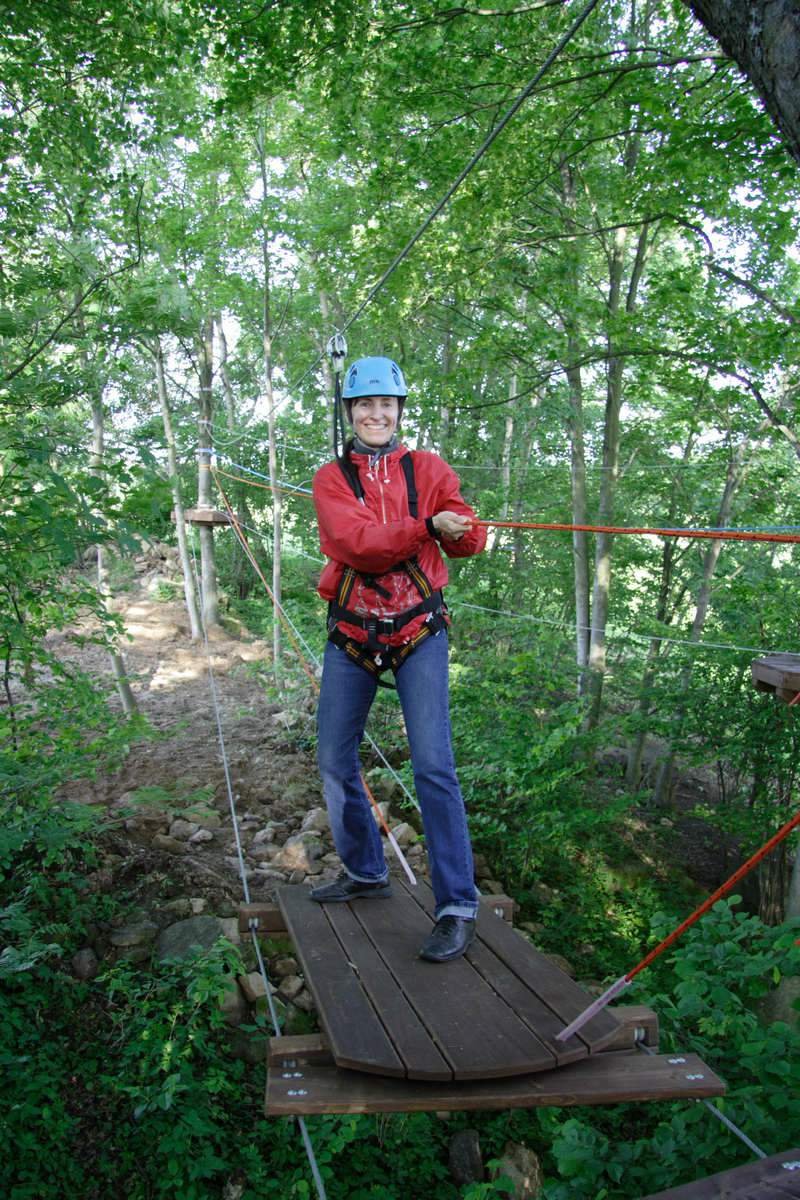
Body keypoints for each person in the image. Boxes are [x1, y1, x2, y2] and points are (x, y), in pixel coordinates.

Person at [309, 355, 487, 962]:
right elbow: (354, 544)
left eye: (386, 405)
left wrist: (458, 528)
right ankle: (365, 871)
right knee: (334, 758)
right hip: (355, 628)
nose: (376, 414)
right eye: (365, 405)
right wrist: (424, 527)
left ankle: (457, 905)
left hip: (419, 627)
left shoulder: (430, 469)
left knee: (434, 764)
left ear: (399, 411)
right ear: (351, 414)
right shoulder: (332, 479)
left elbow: (470, 540)